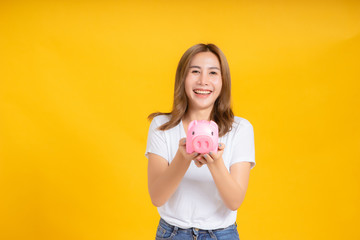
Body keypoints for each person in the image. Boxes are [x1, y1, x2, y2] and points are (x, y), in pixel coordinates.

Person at [144, 43, 256, 240]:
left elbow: (234, 201)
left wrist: (215, 162)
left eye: (213, 73)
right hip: (172, 233)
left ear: (223, 81)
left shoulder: (240, 129)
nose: (203, 81)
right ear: (182, 78)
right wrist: (182, 158)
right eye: (195, 71)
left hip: (223, 234)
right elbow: (157, 197)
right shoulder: (161, 126)